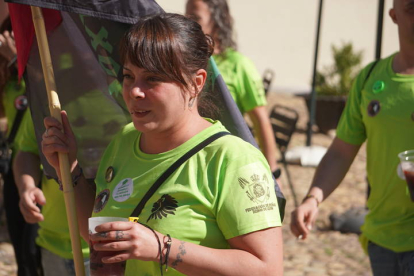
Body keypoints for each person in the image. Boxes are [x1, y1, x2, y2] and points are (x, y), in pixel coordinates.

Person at [41, 13, 283, 275]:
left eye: (152, 79)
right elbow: (101, 239)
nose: (134, 91)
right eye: (128, 76)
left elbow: (267, 269)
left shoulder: (233, 159)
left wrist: (161, 248)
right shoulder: (124, 140)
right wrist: (70, 168)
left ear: (196, 83)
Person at [290, 0, 414, 274]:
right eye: (411, 7)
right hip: (381, 239)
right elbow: (341, 151)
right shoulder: (370, 78)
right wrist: (313, 198)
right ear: (394, 16)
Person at [185, 0, 281, 180]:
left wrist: (273, 173)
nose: (189, 23)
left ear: (217, 20)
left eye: (196, 17)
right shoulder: (183, 63)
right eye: (186, 16)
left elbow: (261, 122)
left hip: (225, 164)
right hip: (187, 160)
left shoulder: (238, 66)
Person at [13, 110, 90, 276]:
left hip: (106, 250)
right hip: (51, 243)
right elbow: (27, 150)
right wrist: (27, 186)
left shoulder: (125, 96)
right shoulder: (45, 98)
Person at [0, 16, 41, 276]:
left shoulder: (40, 71)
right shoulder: (5, 75)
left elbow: (43, 94)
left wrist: (20, 60)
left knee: (33, 244)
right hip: (14, 164)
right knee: (21, 247)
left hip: (42, 169)